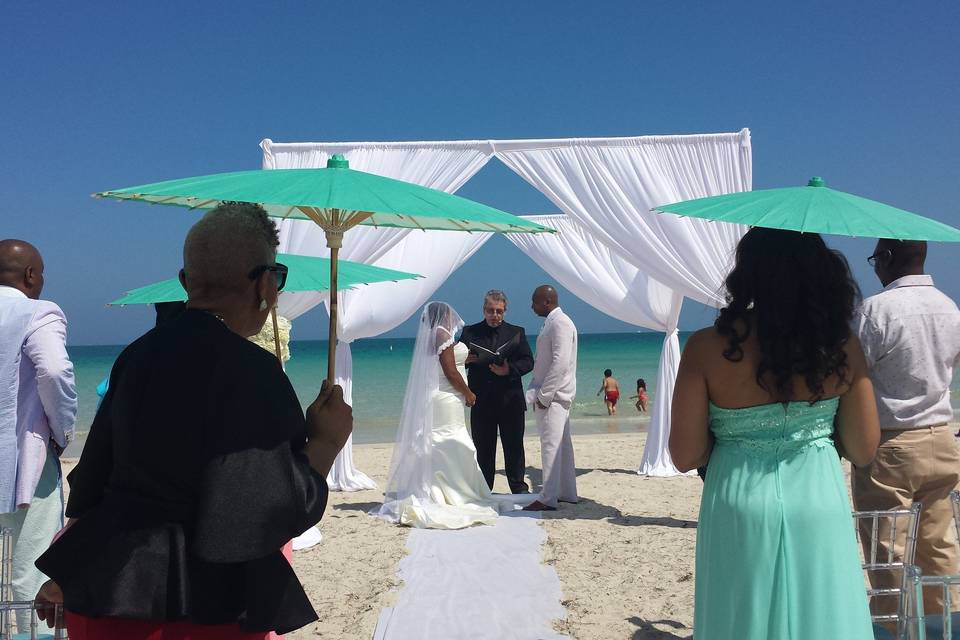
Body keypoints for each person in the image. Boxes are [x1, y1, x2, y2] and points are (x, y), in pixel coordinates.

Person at [33, 203, 353, 639]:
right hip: (208, 602)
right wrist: (327, 441)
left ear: (185, 282)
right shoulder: (255, 371)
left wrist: (65, 572)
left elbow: (94, 483)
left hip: (111, 585)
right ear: (265, 283)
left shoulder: (136, 356)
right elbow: (273, 509)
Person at [670, 227, 880, 640]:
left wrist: (725, 436)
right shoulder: (841, 347)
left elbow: (684, 453)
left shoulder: (705, 348)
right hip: (817, 498)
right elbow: (863, 447)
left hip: (737, 498)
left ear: (748, 273)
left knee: (740, 620)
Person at [852, 239, 960, 617]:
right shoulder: (949, 306)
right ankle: (945, 623)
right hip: (942, 435)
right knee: (939, 546)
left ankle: (896, 628)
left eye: (875, 259)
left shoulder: (874, 311)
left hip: (892, 442)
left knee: (888, 549)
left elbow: (850, 373)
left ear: (887, 259)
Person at [375, 302, 515, 529]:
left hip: (444, 397)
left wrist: (465, 359)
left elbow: (443, 363)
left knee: (445, 443)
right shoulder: (442, 334)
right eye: (449, 315)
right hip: (447, 397)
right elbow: (450, 372)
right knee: (451, 441)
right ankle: (451, 491)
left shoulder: (437, 335)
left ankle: (447, 486)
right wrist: (469, 393)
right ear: (443, 316)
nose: (452, 319)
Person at [0, 239, 76, 633]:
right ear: (31, 275)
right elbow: (54, 371)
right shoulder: (38, 311)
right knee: (33, 574)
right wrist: (62, 430)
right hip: (24, 461)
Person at [459, 290, 534, 494]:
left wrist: (509, 370)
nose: (495, 315)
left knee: (514, 446)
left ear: (505, 311)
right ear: (484, 310)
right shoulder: (469, 333)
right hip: (481, 399)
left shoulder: (517, 332)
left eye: (499, 311)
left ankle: (518, 487)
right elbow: (454, 362)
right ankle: (484, 488)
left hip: (511, 398)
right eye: (491, 311)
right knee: (484, 448)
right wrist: (464, 361)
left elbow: (528, 361)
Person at [524, 286, 579, 512]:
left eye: (534, 302)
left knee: (550, 446)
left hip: (554, 396)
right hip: (556, 394)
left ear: (546, 302)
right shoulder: (554, 322)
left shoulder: (560, 323)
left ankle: (548, 498)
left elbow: (560, 362)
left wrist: (544, 396)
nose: (531, 306)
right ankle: (567, 492)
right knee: (562, 446)